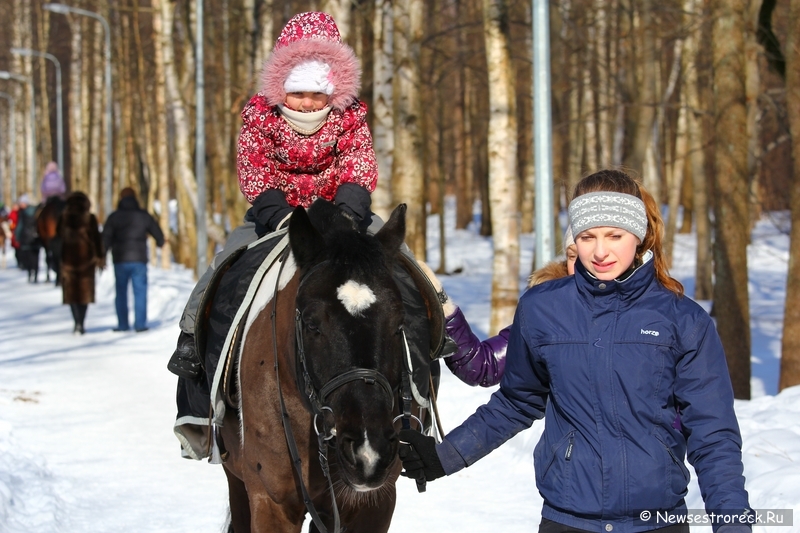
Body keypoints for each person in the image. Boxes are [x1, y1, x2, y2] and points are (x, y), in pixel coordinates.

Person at [398, 169, 752, 533]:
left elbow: (714, 435)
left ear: (639, 235)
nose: (600, 251)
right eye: (587, 237)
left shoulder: (682, 319)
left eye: (614, 235)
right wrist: (444, 457)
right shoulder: (542, 309)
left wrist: (733, 524)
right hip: (567, 520)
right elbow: (517, 402)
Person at [167, 10, 378, 380]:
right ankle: (192, 334)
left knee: (398, 256)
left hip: (340, 212)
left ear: (334, 89)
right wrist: (279, 214)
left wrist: (347, 211)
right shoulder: (260, 116)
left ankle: (436, 321)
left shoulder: (350, 117)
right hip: (276, 212)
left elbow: (358, 162)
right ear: (281, 87)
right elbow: (254, 167)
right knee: (228, 263)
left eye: (319, 93)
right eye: (298, 93)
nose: (309, 103)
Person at [418, 229, 577, 388]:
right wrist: (442, 304)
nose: (579, 266)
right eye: (572, 256)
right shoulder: (550, 311)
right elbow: (484, 366)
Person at [102, 187, 165, 332]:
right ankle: (140, 325)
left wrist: (103, 254)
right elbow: (156, 230)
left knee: (121, 292)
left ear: (120, 199)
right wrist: (160, 241)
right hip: (139, 260)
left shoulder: (114, 217)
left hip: (120, 260)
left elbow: (106, 237)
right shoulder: (143, 215)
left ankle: (123, 324)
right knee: (140, 291)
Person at [57, 192, 104, 334]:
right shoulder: (90, 218)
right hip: (86, 261)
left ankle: (76, 321)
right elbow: (96, 239)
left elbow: (58, 237)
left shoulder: (63, 217)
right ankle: (81, 322)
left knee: (72, 294)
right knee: (84, 294)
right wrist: (100, 257)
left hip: (68, 261)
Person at [14, 193, 40, 282]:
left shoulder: (23, 213)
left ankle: (30, 274)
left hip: (26, 237)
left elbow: (20, 226)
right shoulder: (37, 211)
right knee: (36, 257)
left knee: (28, 257)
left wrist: (17, 236)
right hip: (36, 237)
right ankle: (36, 274)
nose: (21, 205)